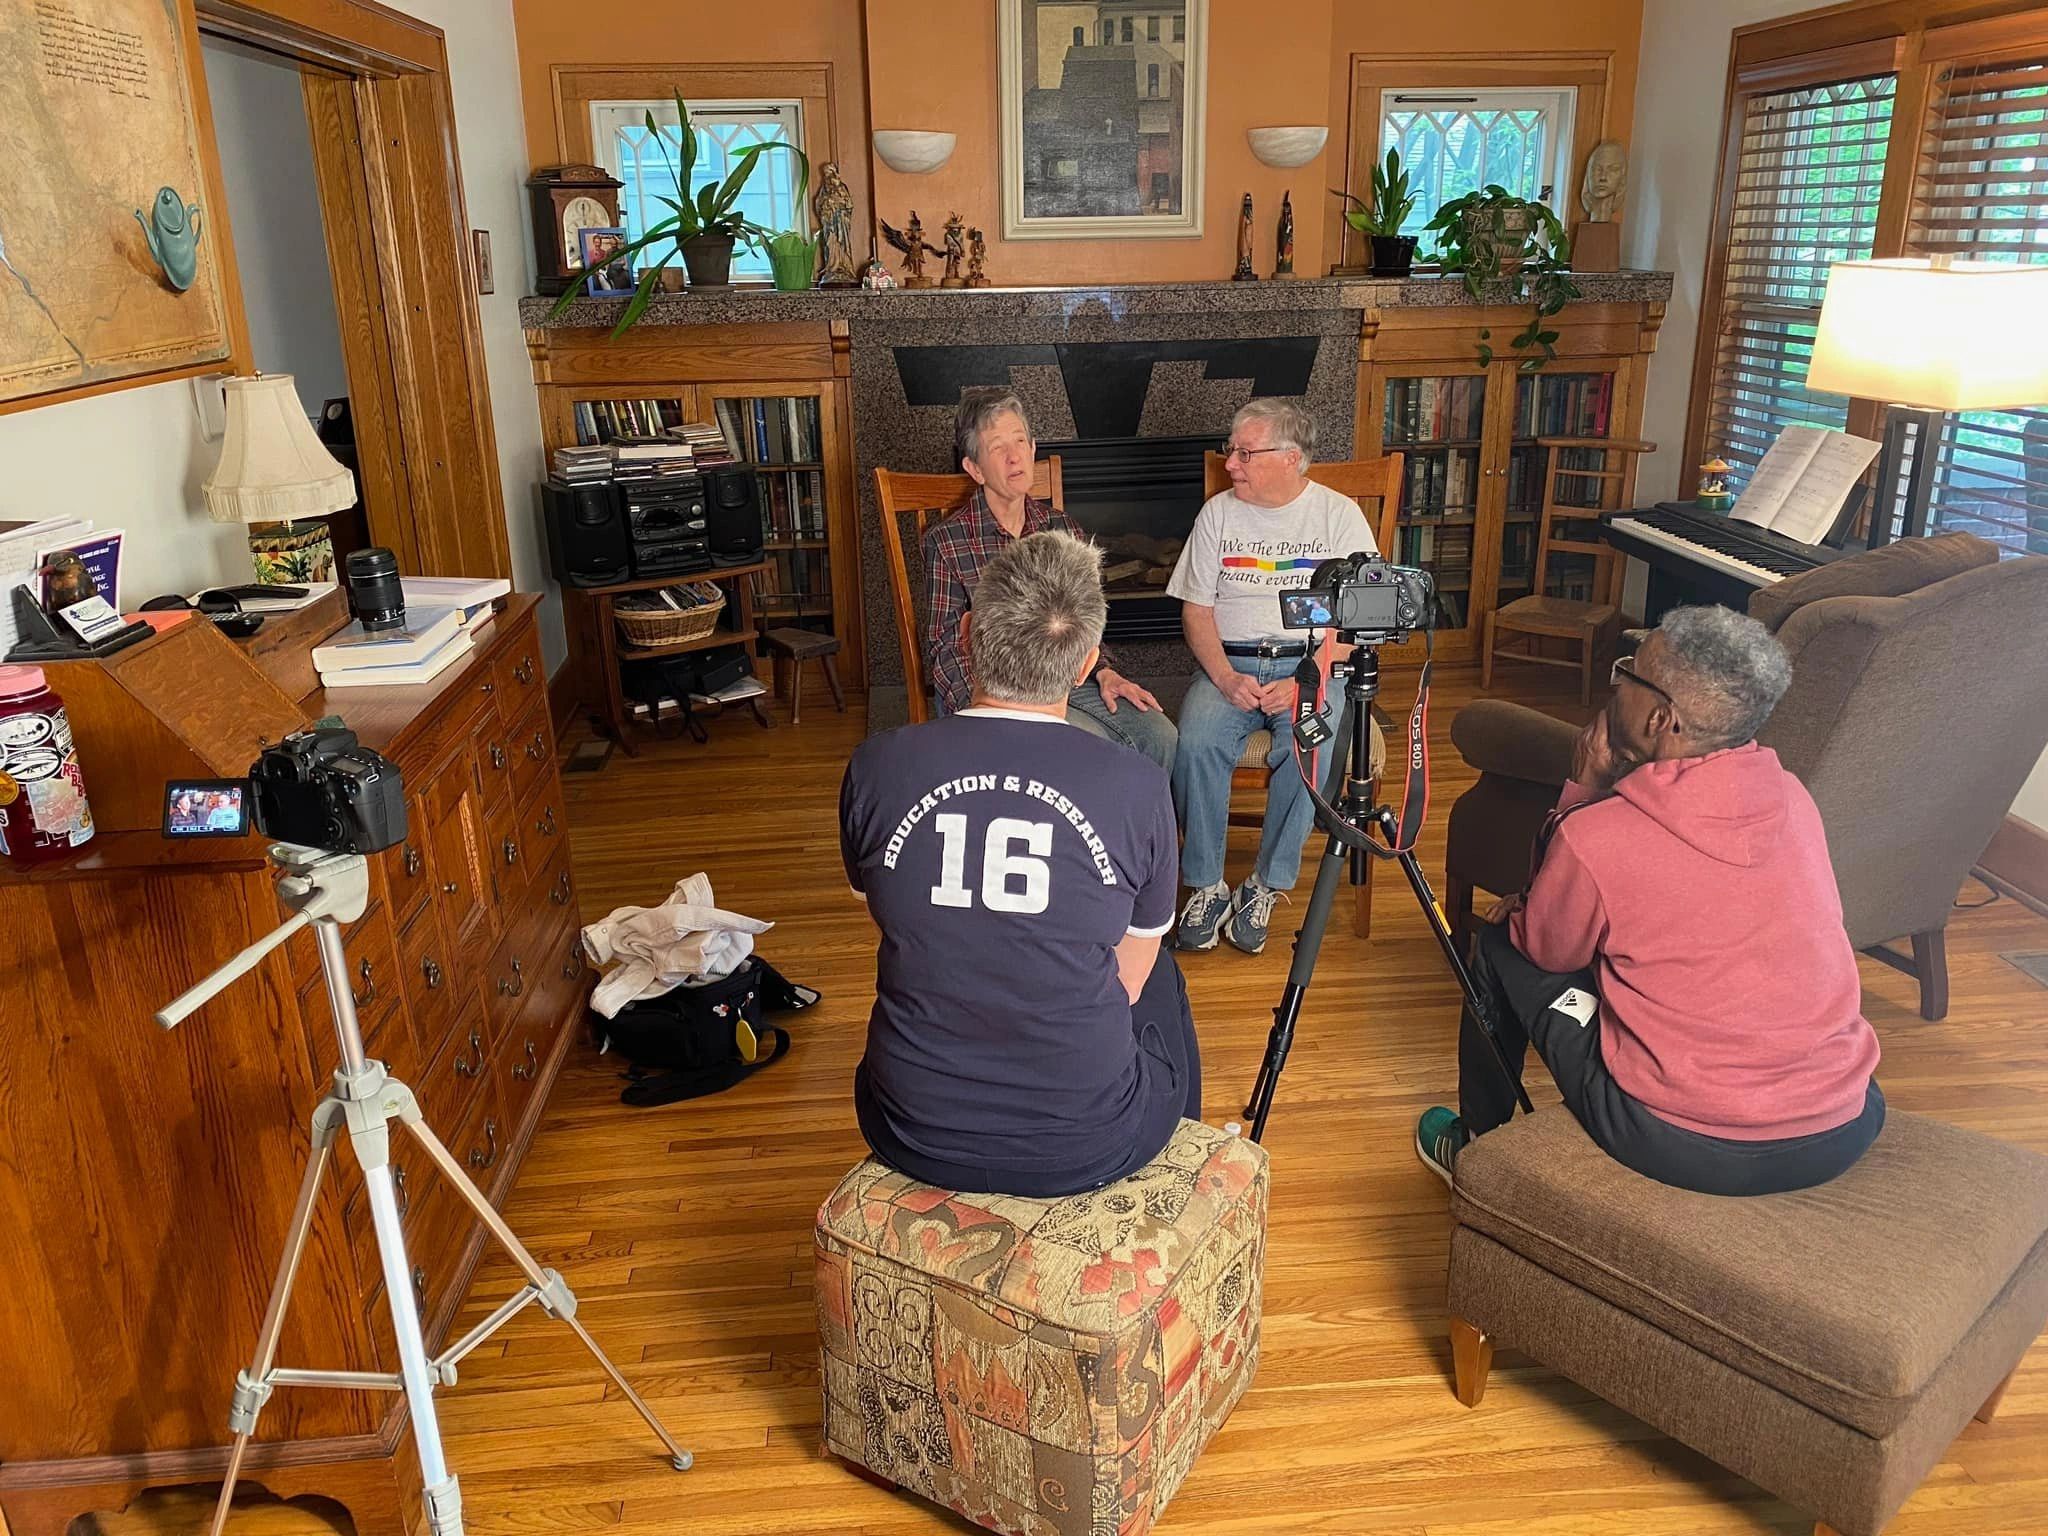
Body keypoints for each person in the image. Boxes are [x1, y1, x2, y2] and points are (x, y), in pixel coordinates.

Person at [1415, 606, 1885, 1197]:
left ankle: (1474, 1147)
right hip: (1846, 1119)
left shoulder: (1600, 833)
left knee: (1500, 943)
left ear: (1662, 716)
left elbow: (1547, 950)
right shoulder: (1794, 797)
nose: (1615, 684)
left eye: (1628, 674)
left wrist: (1582, 790)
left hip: (1682, 1140)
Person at [841, 531, 1199, 1197]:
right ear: (1088, 661)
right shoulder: (1138, 784)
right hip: (1090, 1142)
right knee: (1162, 977)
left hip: (907, 1125)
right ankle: (1172, 1190)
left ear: (972, 632)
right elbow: (1126, 980)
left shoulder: (876, 764)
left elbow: (892, 912)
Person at [1165, 398, 1379, 956]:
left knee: (1312, 746)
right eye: (1230, 450)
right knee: (1195, 741)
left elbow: (1361, 618)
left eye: (1243, 452)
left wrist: (1310, 681)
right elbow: (1196, 611)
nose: (1230, 463)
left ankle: (1266, 884)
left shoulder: (1339, 516)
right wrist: (1223, 676)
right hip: (1229, 665)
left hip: (1311, 668)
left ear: (1291, 459)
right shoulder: (1217, 515)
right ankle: (1207, 884)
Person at [922, 387, 1178, 772]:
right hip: (995, 693)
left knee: (1158, 735)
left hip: (1066, 681)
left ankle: (1141, 832)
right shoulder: (946, 541)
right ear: (974, 469)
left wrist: (1105, 670)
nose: (1015, 456)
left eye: (1021, 442)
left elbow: (1085, 623)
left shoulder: (1062, 527)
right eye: (997, 448)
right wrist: (985, 712)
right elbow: (945, 645)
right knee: (1079, 746)